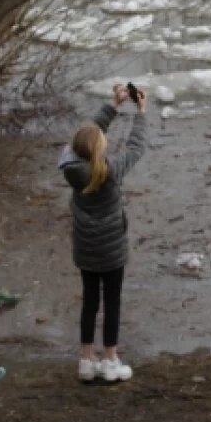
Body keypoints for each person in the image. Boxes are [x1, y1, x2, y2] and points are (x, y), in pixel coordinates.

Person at [58, 83, 148, 383]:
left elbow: (82, 138)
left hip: (85, 249)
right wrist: (141, 113)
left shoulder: (70, 167)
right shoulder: (111, 171)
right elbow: (136, 148)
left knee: (90, 301)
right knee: (113, 302)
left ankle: (86, 359)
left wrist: (112, 106)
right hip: (112, 251)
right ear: (99, 148)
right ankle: (110, 359)